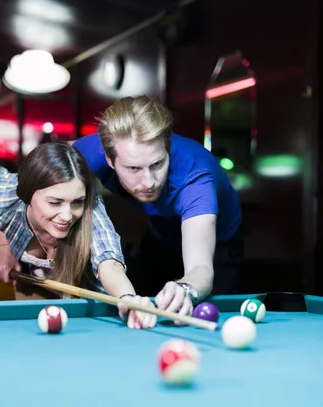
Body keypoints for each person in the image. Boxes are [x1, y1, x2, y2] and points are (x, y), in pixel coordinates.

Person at [72, 96, 243, 317]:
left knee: (200, 311)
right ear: (110, 160)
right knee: (140, 306)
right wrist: (10, 245)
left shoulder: (195, 178)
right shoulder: (89, 153)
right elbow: (38, 176)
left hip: (219, 244)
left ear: (168, 150)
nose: (149, 181)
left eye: (157, 164)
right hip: (161, 232)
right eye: (134, 168)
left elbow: (200, 268)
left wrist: (186, 288)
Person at [0, 142, 156, 329]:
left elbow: (109, 263)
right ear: (26, 194)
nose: (67, 216)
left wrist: (128, 297)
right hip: (35, 286)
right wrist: (3, 248)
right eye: (55, 202)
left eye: (77, 202)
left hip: (89, 304)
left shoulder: (92, 212)